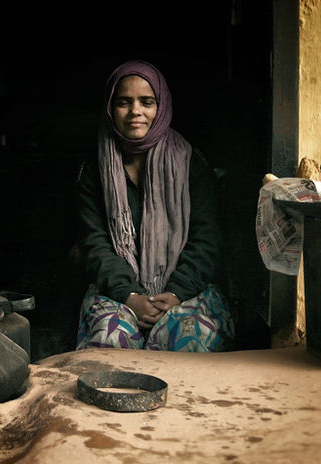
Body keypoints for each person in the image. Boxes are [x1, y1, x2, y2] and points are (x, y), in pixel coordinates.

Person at [74, 59, 234, 352]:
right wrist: (129, 296)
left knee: (190, 341)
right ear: (111, 108)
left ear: (161, 108)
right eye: (124, 102)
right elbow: (94, 243)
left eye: (147, 102)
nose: (136, 111)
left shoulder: (189, 162)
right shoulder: (96, 168)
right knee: (111, 341)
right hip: (117, 290)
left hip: (183, 289)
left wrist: (175, 293)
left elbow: (206, 239)